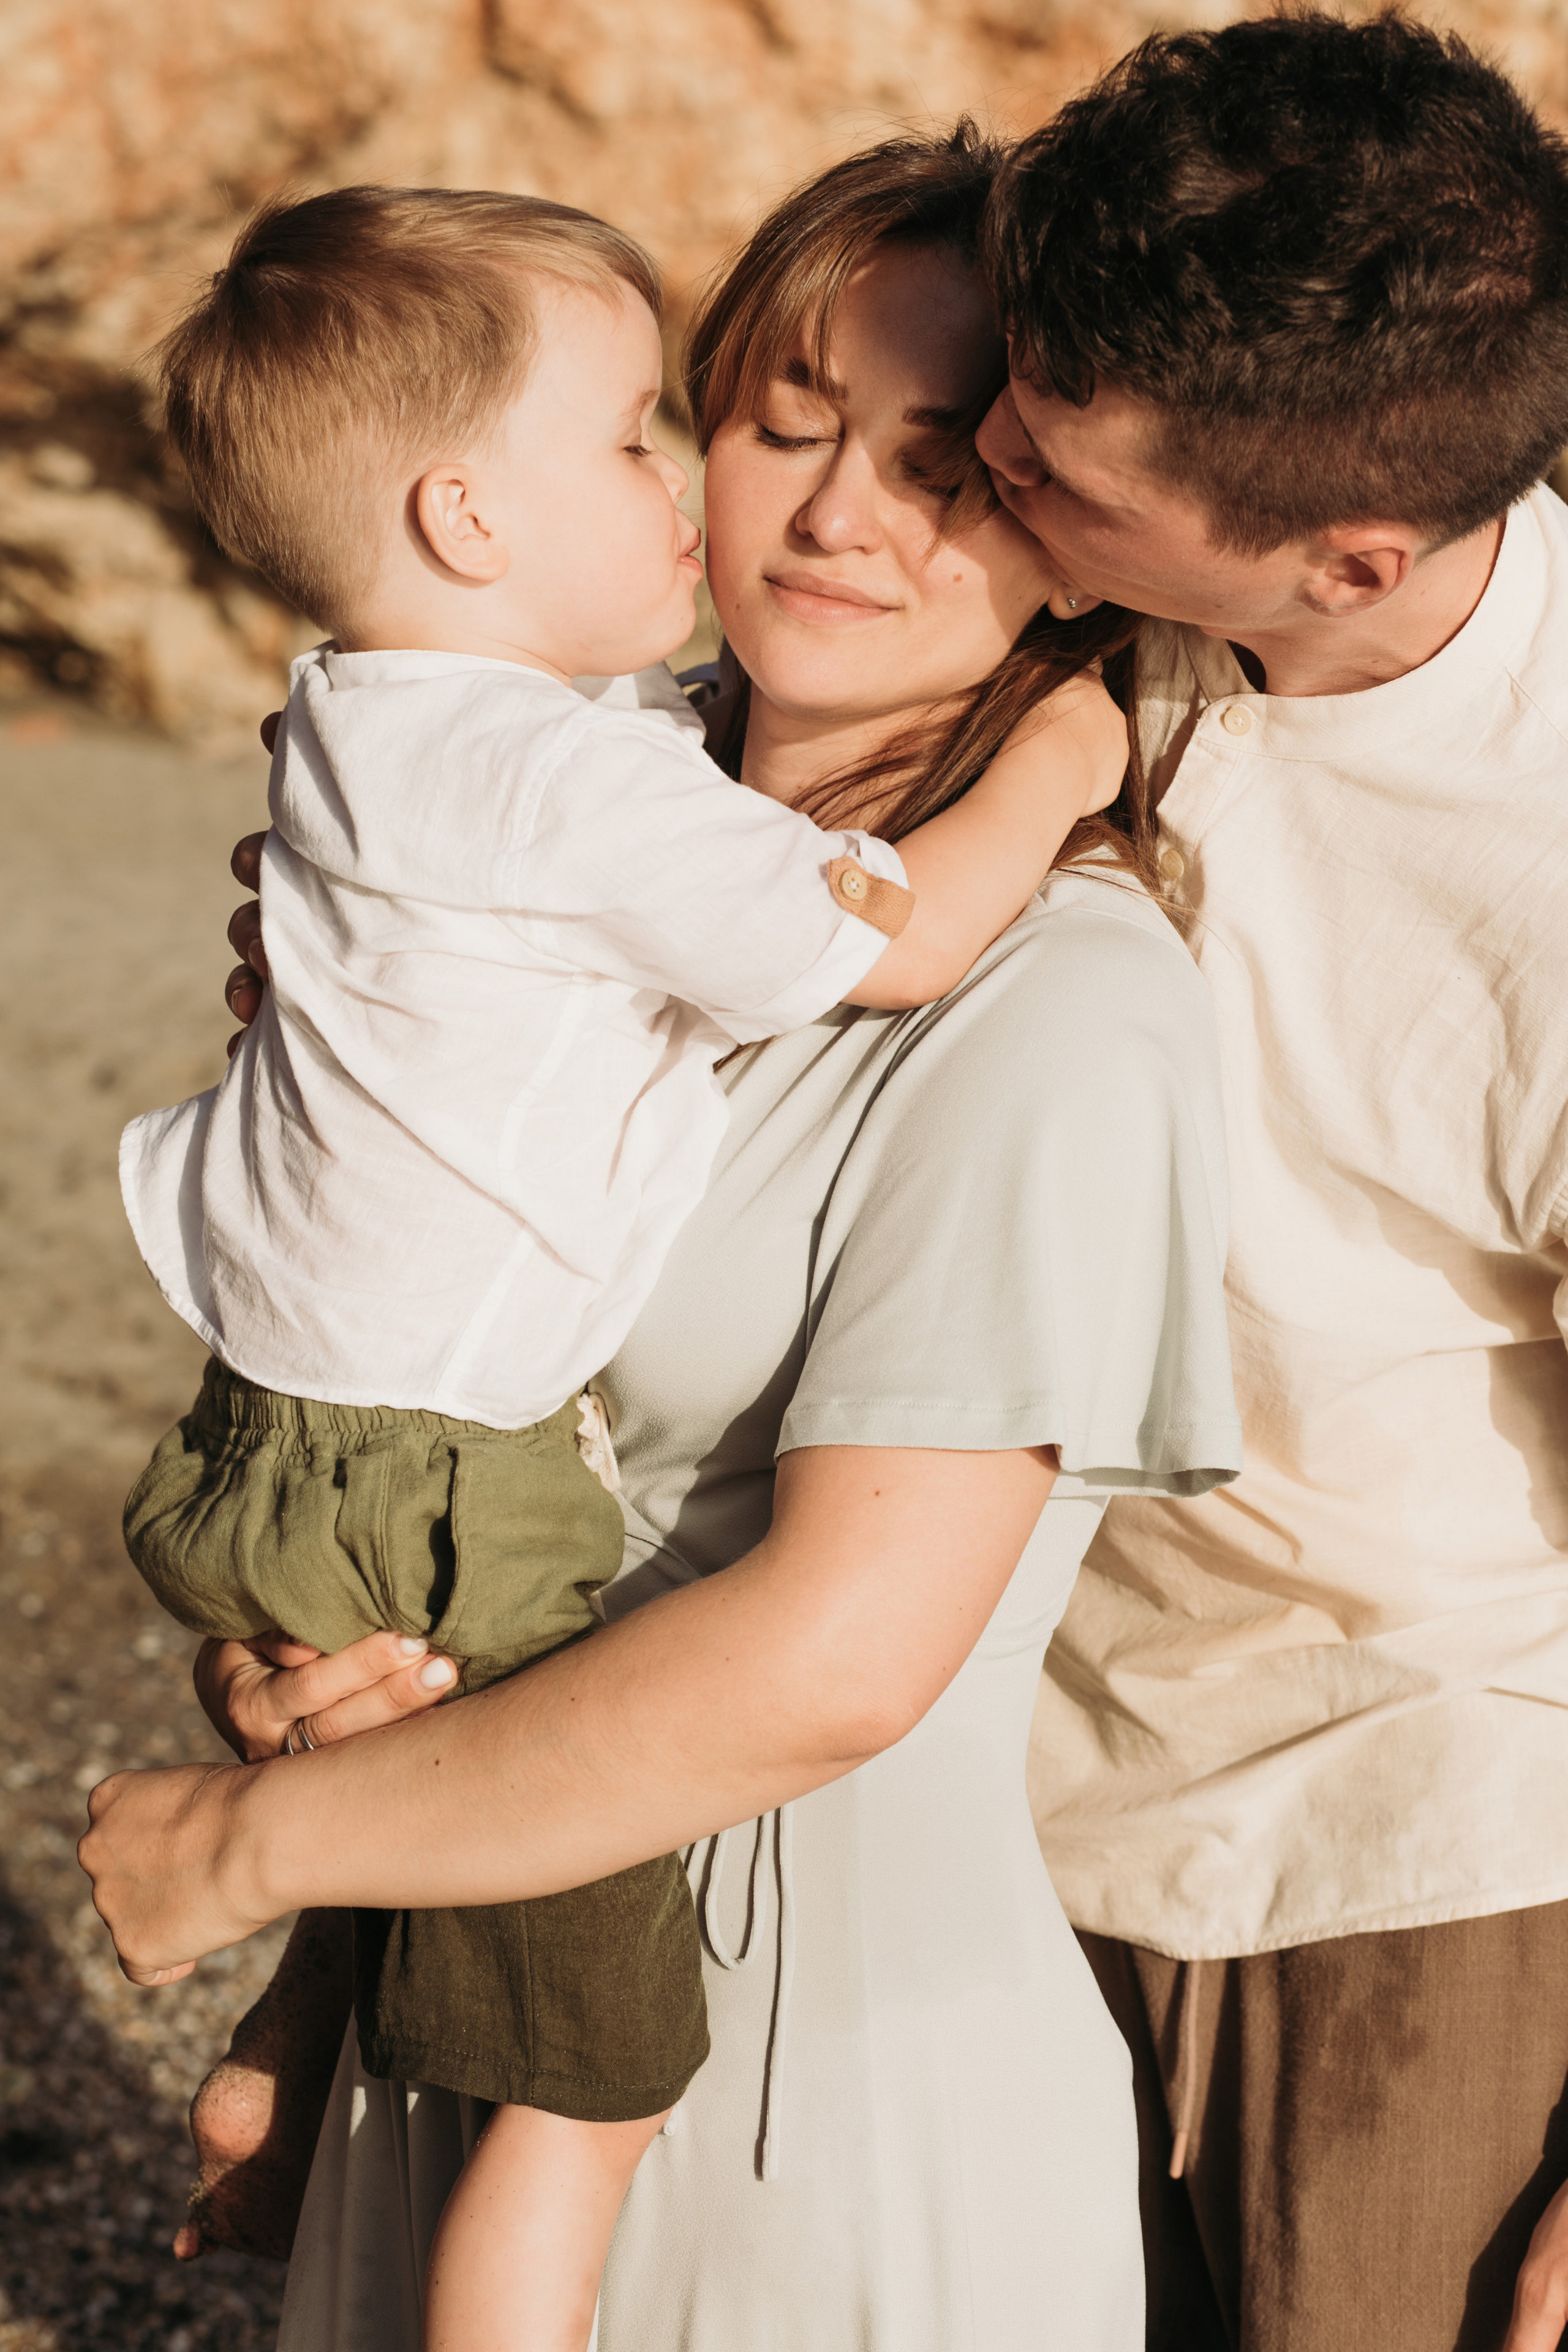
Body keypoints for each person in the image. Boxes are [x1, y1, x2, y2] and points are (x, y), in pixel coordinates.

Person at [80, 124, 1243, 2350]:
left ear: (1084, 539)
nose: (833, 515)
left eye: (949, 469)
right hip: (460, 1999)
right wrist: (320, 1686)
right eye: (775, 423)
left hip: (802, 2089)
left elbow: (832, 1660)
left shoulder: (1061, 1008)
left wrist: (250, 1859)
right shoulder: (540, 896)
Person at [972, 17, 1568, 2351]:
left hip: (1416, 1838)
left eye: (1060, 461)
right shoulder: (1113, 603)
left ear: (1349, 553)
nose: (984, 458)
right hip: (988, 1754)